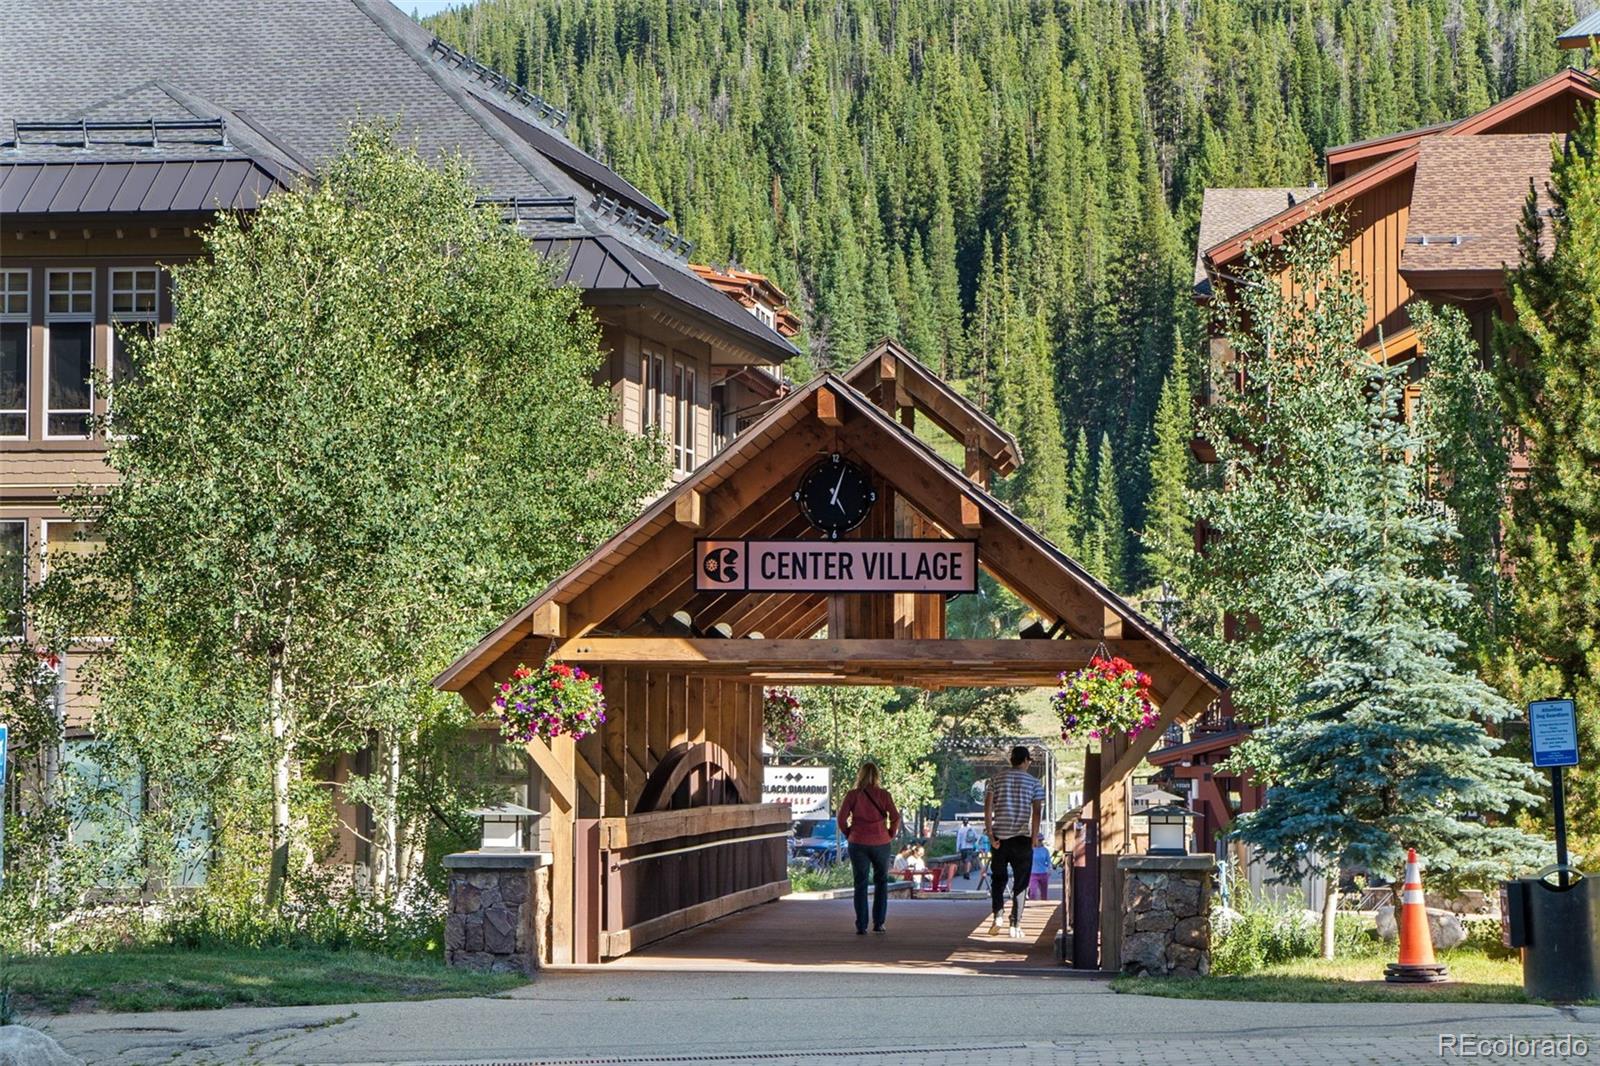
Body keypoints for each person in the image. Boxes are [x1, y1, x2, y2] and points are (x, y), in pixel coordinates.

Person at [984, 745, 1046, 938]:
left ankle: (998, 916)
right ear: (1026, 760)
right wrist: (1035, 837)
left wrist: (990, 834)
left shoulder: (996, 779)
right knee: (1021, 883)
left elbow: (987, 808)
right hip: (1022, 838)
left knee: (998, 879)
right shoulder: (1034, 783)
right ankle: (1015, 925)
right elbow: (1037, 812)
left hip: (1000, 838)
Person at [837, 762, 902, 935]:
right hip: (881, 842)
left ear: (860, 775)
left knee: (861, 883)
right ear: (877, 776)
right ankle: (879, 922)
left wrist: (849, 833)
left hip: (858, 842)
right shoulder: (884, 795)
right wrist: (890, 834)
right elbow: (895, 817)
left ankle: (861, 925)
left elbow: (841, 818)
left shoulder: (852, 795)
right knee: (881, 882)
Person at [1028, 832, 1052, 900]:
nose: (1040, 842)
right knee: (1033, 892)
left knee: (1044, 893)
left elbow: (1048, 861)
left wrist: (1049, 869)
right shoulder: (1031, 850)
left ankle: (1044, 907)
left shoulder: (1045, 850)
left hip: (1043, 873)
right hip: (1033, 874)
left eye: (1041, 840)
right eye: (1039, 840)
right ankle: (1032, 906)